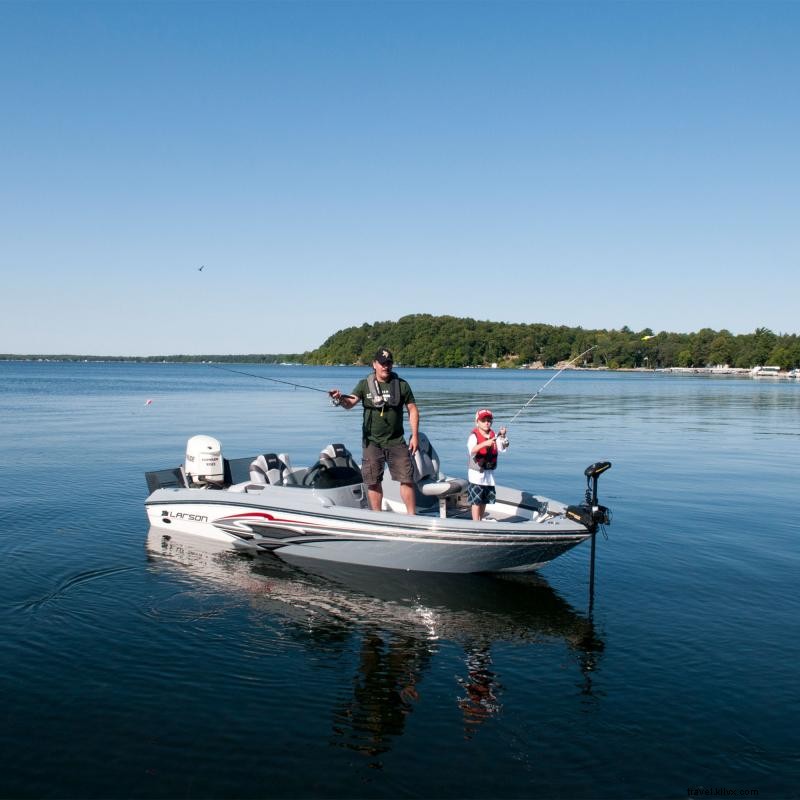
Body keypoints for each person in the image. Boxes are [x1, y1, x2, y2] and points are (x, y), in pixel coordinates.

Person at [329, 348, 419, 514]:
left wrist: (415, 436)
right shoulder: (364, 384)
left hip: (397, 441)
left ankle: (412, 517)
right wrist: (339, 398)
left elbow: (412, 409)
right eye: (382, 363)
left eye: (389, 363)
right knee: (373, 481)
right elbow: (350, 403)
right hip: (372, 443)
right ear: (374, 364)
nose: (386, 366)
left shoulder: (402, 385)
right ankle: (377, 517)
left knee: (406, 479)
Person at [466, 409, 509, 522]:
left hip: (489, 475)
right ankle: (476, 522)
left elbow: (502, 448)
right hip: (476, 475)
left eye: (489, 420)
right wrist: (485, 443)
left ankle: (480, 519)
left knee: (485, 500)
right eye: (483, 420)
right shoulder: (473, 436)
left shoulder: (494, 435)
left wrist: (503, 436)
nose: (486, 423)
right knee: (476, 501)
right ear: (477, 422)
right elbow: (472, 450)